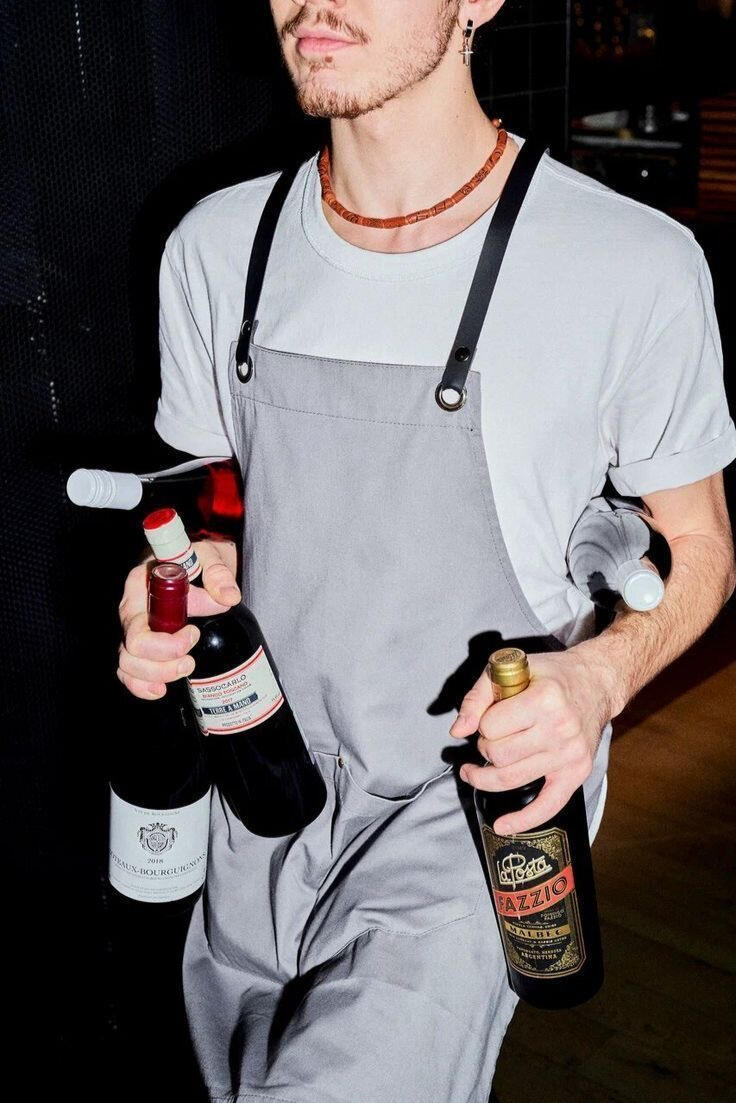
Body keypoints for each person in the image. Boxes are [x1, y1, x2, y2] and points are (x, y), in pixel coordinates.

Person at [116, 2, 736, 1100]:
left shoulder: (629, 264)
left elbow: (701, 547)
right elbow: (216, 506)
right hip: (257, 791)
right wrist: (180, 581)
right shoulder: (215, 244)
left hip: (471, 809)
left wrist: (599, 676)